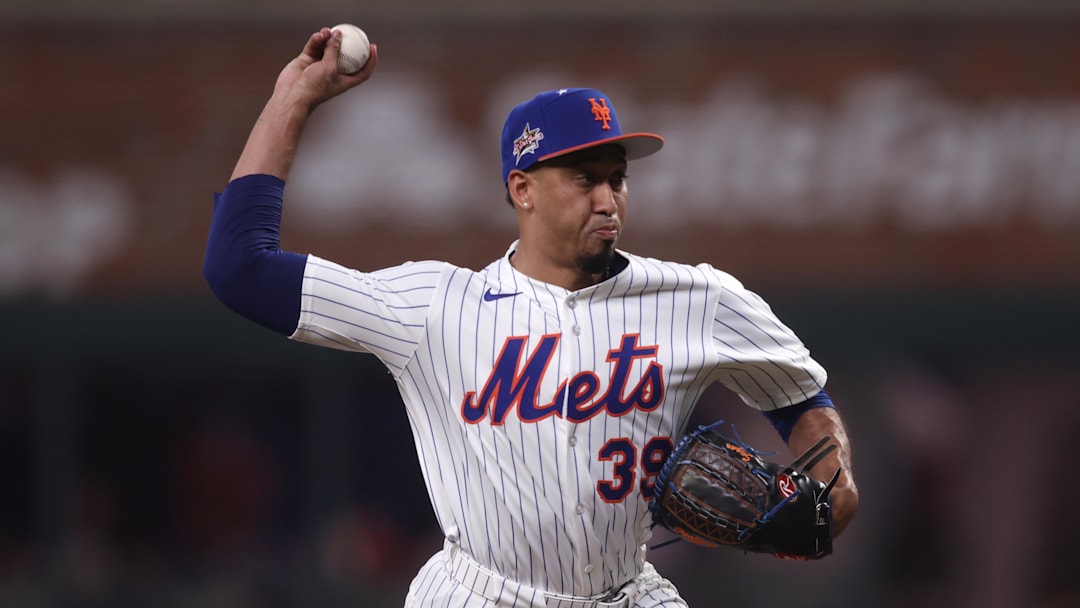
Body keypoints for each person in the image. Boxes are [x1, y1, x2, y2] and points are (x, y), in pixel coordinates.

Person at [204, 27, 859, 608]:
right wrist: (292, 99)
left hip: (625, 593)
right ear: (523, 188)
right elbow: (239, 269)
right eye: (583, 177)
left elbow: (801, 395)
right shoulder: (432, 306)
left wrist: (832, 486)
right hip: (479, 594)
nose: (608, 198)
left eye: (617, 177)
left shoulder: (699, 299)